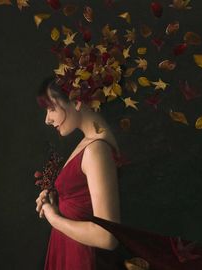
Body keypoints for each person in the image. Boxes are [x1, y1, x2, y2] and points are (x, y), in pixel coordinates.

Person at [35, 75, 126, 270]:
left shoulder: (96, 150)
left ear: (77, 101)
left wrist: (53, 217)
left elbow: (107, 237)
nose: (47, 120)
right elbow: (83, 200)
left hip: (83, 259)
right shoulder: (89, 143)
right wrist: (56, 201)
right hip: (71, 249)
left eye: (51, 109)